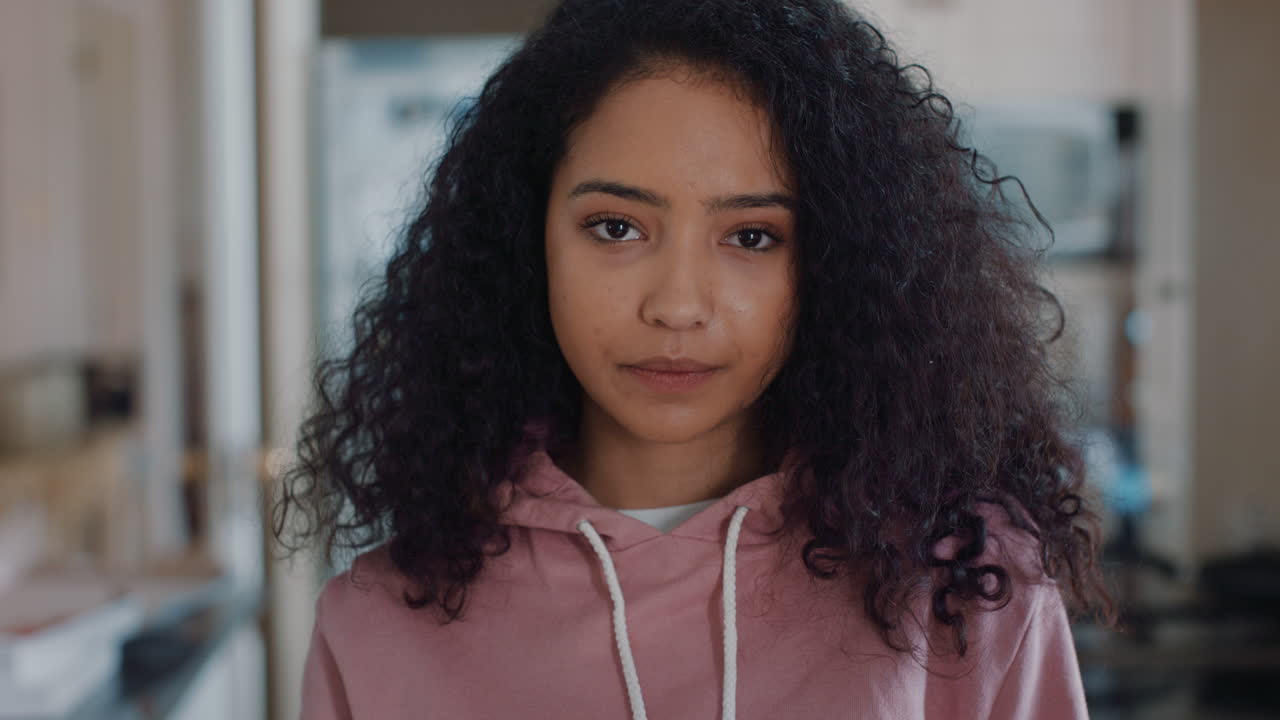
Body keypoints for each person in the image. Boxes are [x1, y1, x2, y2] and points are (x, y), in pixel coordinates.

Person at [276, 0, 1117, 717]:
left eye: (751, 237)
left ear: (832, 263)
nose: (677, 304)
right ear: (526, 241)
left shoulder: (967, 587)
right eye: (616, 227)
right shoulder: (376, 623)